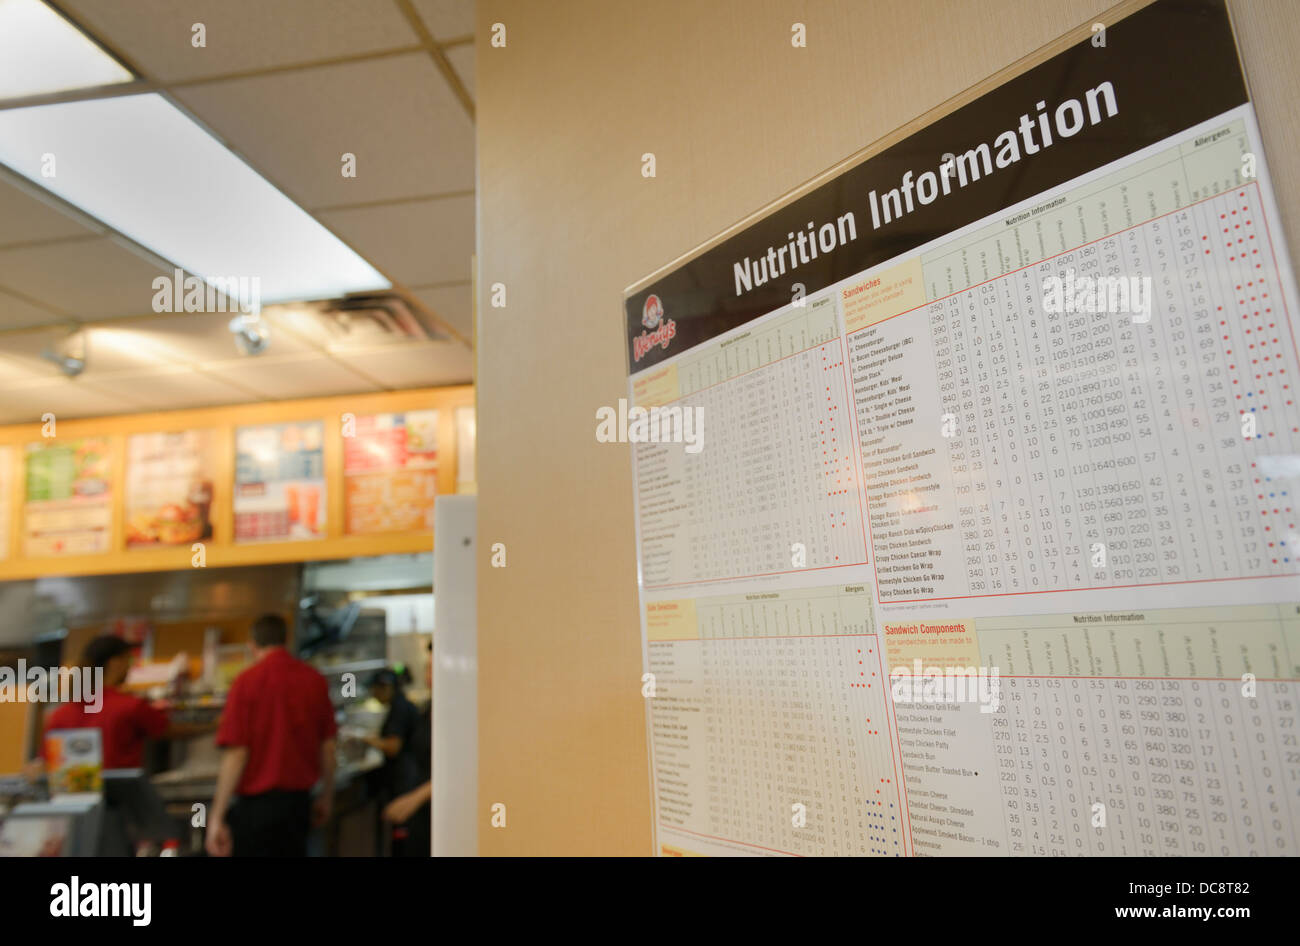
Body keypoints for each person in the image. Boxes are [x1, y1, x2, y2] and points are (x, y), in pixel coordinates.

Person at [205, 614, 337, 858]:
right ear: (286, 639)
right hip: (299, 805)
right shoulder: (314, 680)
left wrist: (216, 817)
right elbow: (328, 747)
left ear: (252, 645)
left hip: (256, 809)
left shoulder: (245, 682)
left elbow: (237, 754)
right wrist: (327, 796)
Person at [42, 635, 208, 770]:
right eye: (129, 661)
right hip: (122, 799)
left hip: (74, 799)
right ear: (116, 663)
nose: (130, 668)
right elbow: (171, 731)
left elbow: (46, 760)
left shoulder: (59, 715)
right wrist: (213, 726)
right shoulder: (130, 706)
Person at [382, 642, 431, 856]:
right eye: (427, 667)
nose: (427, 674)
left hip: (433, 811)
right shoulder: (431, 707)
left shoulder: (458, 712)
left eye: (432, 667)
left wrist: (416, 798)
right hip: (421, 811)